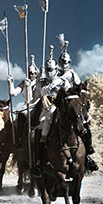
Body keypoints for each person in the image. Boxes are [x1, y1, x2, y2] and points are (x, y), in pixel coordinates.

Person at [57, 34, 98, 172]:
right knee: (44, 125)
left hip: (72, 105)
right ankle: (38, 159)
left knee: (84, 126)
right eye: (62, 62)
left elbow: (80, 90)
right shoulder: (53, 73)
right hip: (56, 105)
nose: (64, 65)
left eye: (66, 62)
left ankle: (87, 156)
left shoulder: (73, 75)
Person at [32, 45, 70, 177]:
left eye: (51, 69)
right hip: (46, 112)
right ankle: (39, 161)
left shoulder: (62, 81)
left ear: (56, 69)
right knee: (41, 131)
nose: (49, 72)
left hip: (61, 110)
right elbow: (36, 96)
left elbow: (69, 94)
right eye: (47, 69)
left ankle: (86, 157)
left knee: (81, 125)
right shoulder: (41, 82)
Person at [8, 55, 41, 149]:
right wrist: (10, 83)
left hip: (38, 105)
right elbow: (13, 93)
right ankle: (19, 140)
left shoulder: (40, 83)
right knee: (21, 116)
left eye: (34, 73)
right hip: (27, 107)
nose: (32, 75)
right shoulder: (24, 83)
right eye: (30, 73)